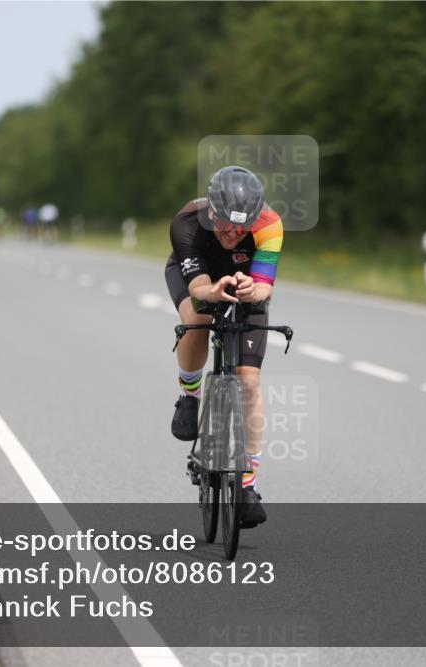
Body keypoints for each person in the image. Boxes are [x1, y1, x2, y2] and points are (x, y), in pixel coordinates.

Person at [165, 166, 283, 526]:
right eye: (224, 224)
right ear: (211, 211)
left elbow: (265, 286)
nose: (232, 233)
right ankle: (189, 392)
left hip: (246, 281)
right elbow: (200, 286)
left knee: (248, 382)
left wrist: (253, 289)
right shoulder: (187, 223)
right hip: (198, 277)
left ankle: (247, 484)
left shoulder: (269, 225)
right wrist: (213, 292)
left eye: (241, 226)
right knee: (198, 320)